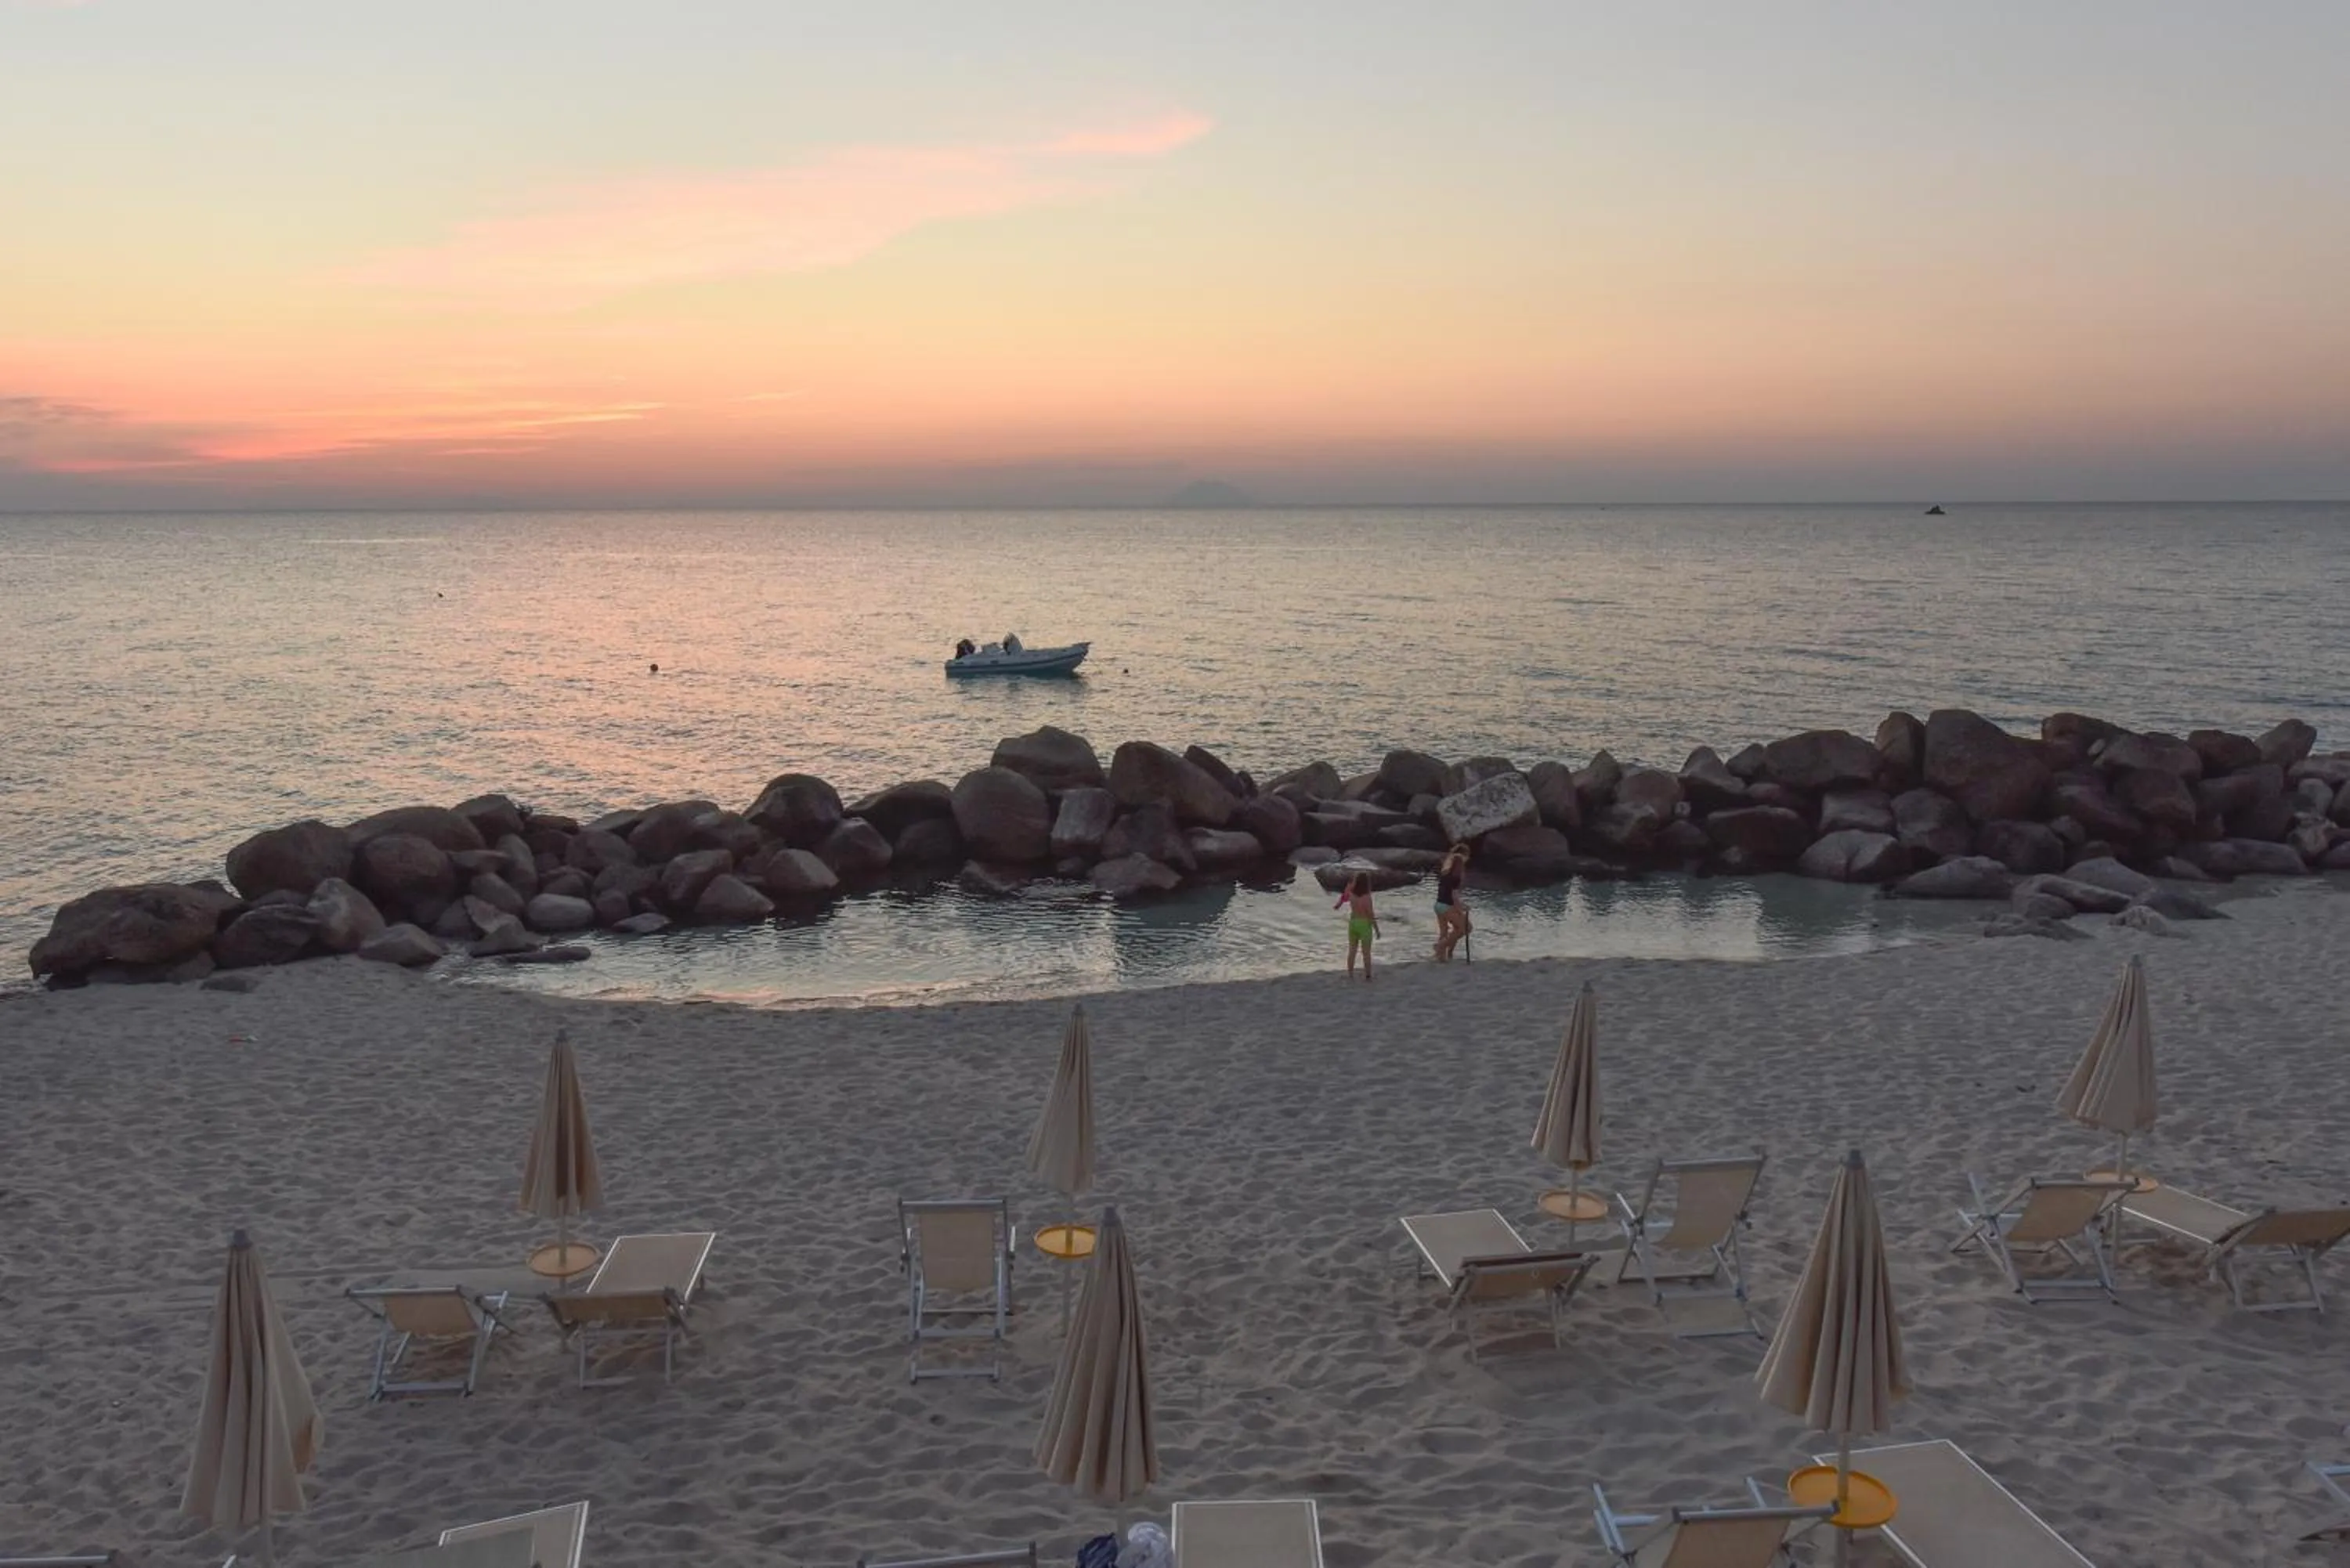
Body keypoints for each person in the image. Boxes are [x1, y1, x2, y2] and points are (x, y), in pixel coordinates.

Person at [1334, 870, 1380, 981]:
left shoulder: (1351, 894)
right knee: (1366, 953)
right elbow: (1370, 914)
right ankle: (1368, 976)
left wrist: (1338, 905)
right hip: (1364, 925)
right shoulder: (1367, 897)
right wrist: (1377, 929)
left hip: (1353, 923)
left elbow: (1344, 898)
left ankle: (1350, 974)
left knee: (1352, 951)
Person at [1433, 844, 1473, 960]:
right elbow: (1454, 897)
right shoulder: (1455, 877)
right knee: (1467, 928)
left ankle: (1444, 956)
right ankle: (1440, 947)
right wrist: (1461, 908)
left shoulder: (1445, 873)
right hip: (1447, 906)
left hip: (1438, 905)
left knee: (1446, 932)